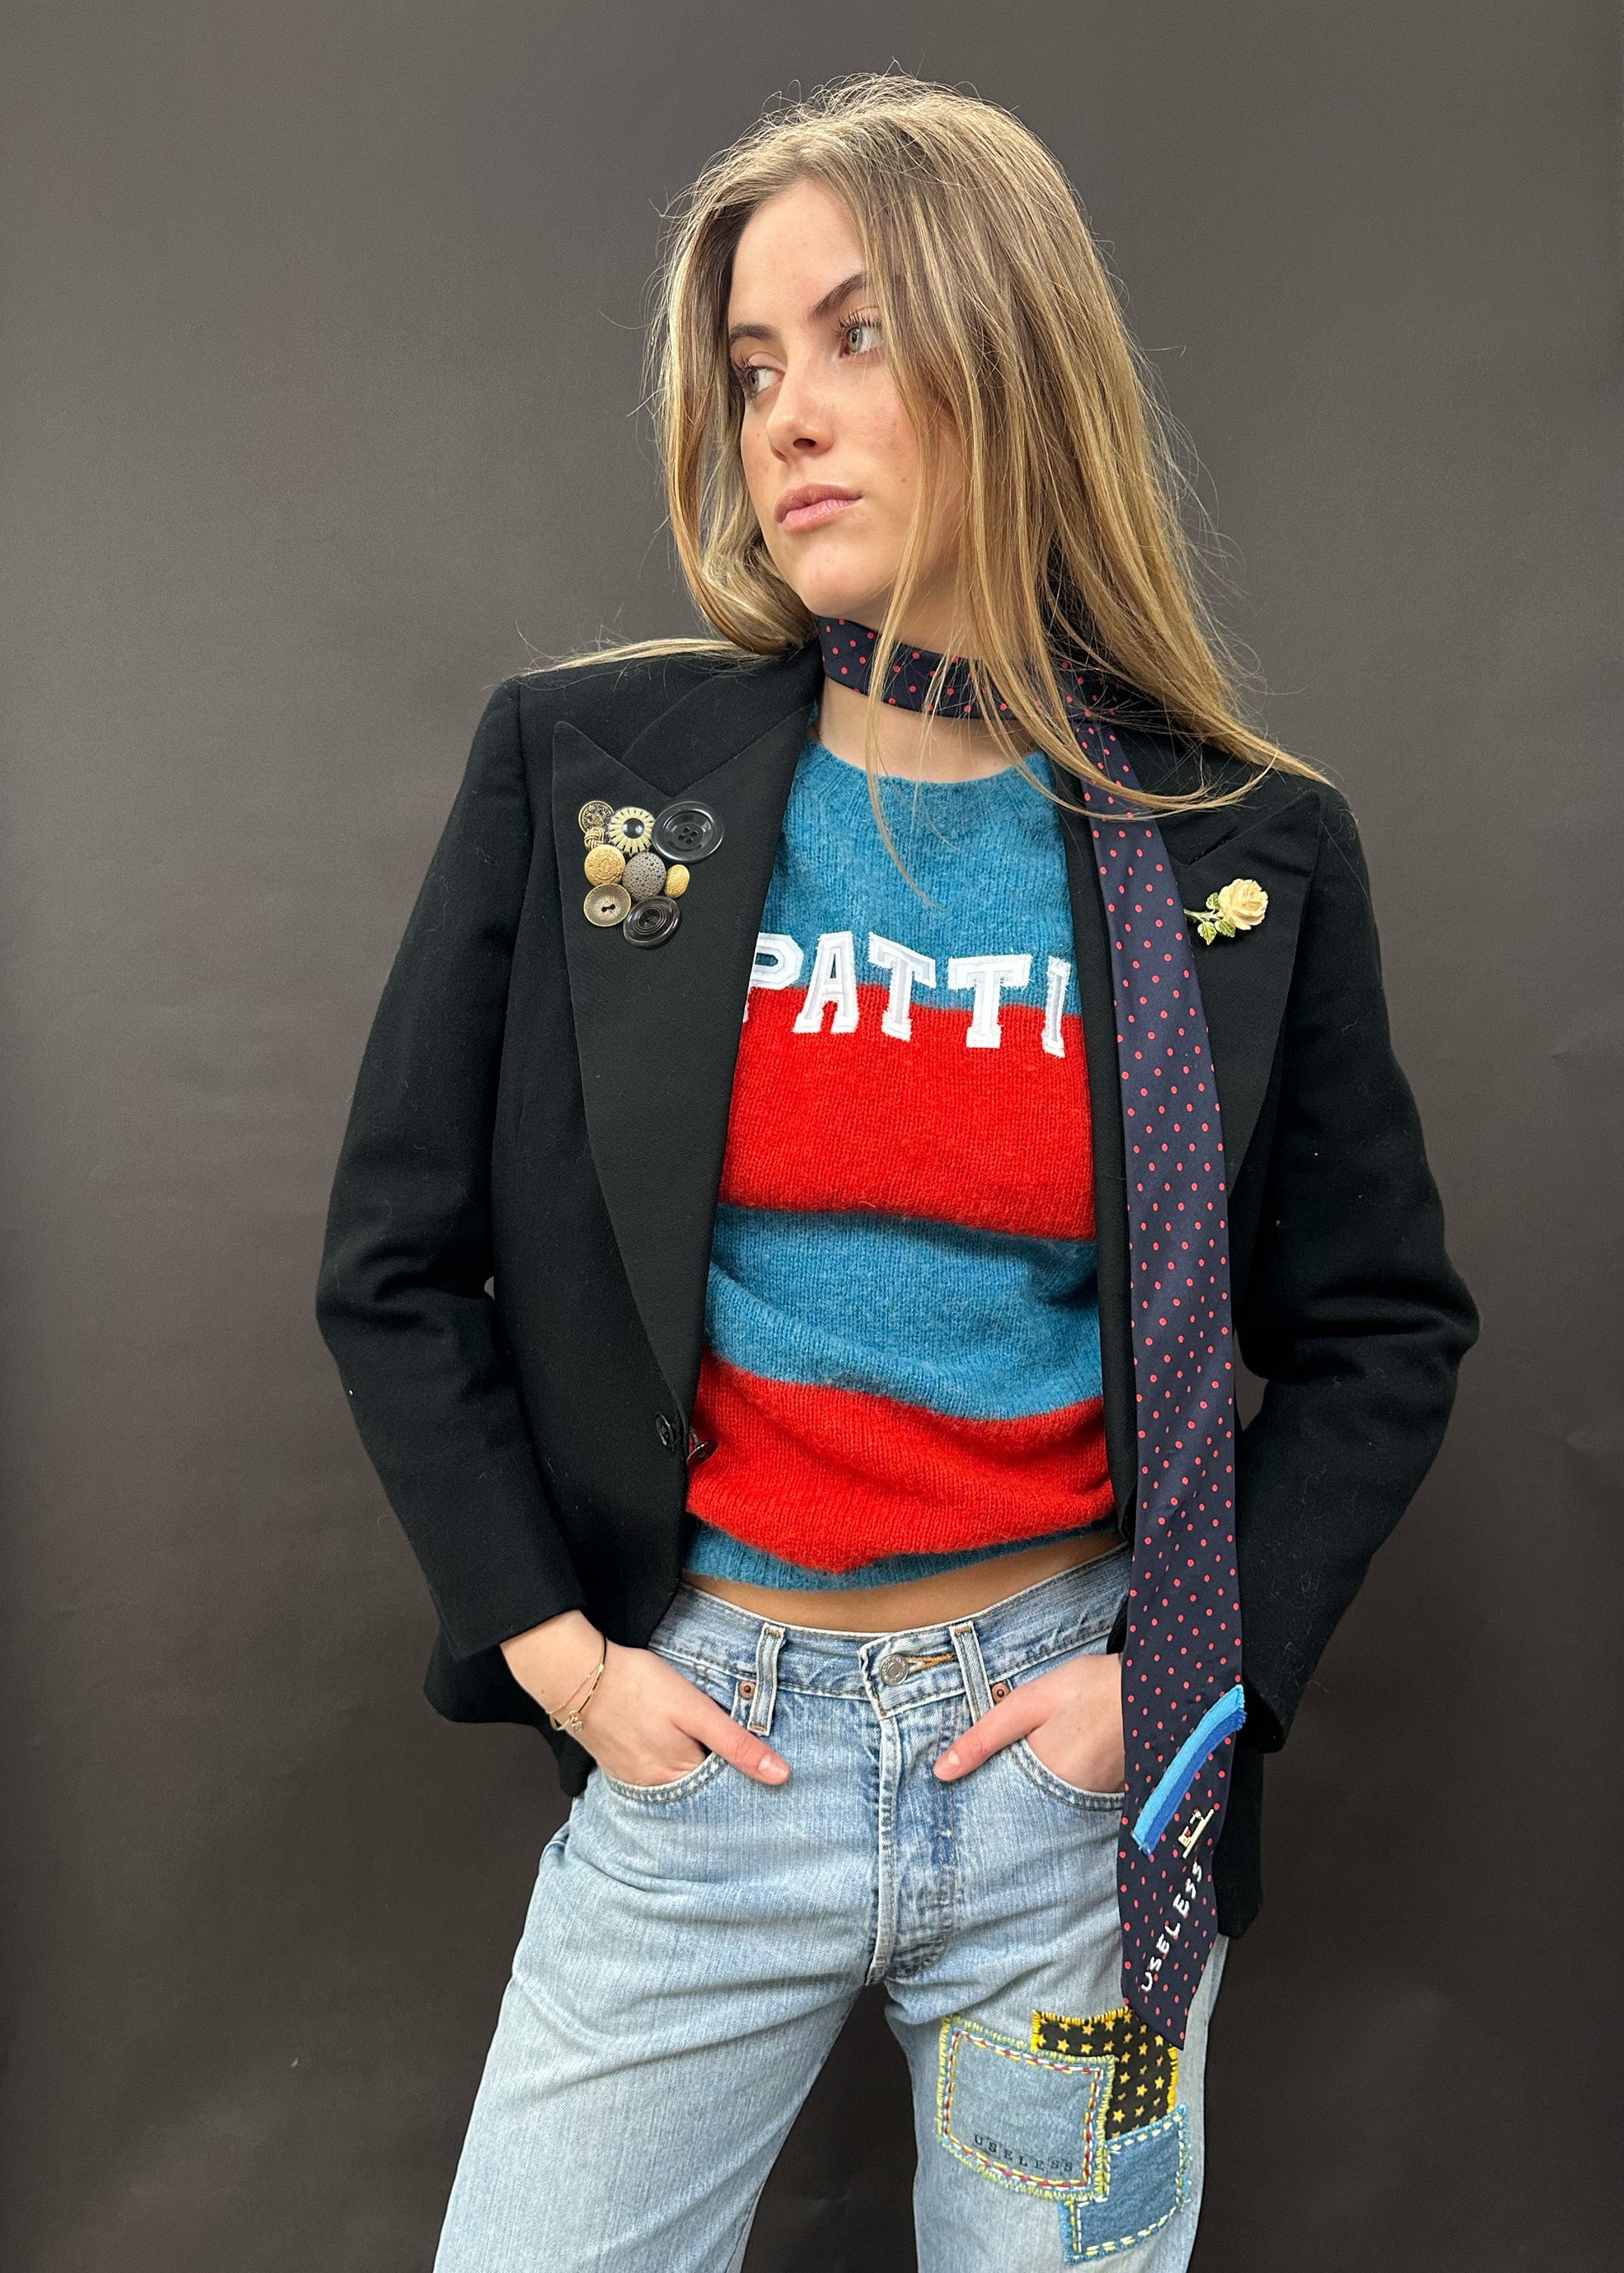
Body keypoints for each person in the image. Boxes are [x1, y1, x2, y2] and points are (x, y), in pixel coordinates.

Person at [315, 73, 1477, 2273]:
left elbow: (1379, 1331)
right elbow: (395, 1261)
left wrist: (1175, 1684)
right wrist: (563, 1662)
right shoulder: (588, 774)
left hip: (1073, 1806)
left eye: (857, 337)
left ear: (1013, 362)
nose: (789, 415)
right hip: (704, 1754)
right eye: (756, 365)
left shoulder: (1230, 852)